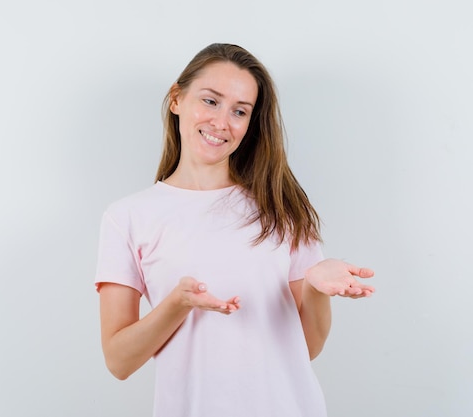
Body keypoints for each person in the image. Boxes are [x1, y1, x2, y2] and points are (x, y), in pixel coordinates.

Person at [94, 43, 374, 417]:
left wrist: (314, 287)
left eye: (239, 111)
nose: (222, 122)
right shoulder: (127, 217)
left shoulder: (280, 207)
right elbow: (119, 362)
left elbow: (305, 347)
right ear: (177, 98)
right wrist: (177, 304)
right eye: (210, 101)